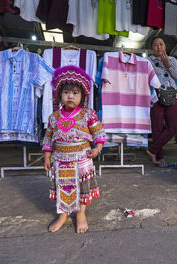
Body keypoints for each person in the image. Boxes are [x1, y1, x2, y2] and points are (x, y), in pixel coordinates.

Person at [43, 65, 106, 233]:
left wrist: (98, 148)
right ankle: (63, 215)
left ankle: (80, 214)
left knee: (82, 187)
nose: (70, 95)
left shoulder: (88, 114)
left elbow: (98, 132)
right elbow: (49, 137)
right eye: (66, 92)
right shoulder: (54, 117)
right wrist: (47, 157)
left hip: (82, 160)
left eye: (75, 92)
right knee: (63, 186)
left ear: (83, 96)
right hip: (61, 161)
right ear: (59, 95)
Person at [147, 36, 177, 168]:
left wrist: (168, 63)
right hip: (156, 96)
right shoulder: (148, 61)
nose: (159, 47)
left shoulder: (172, 59)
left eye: (161, 44)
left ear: (165, 46)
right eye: (156, 45)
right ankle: (158, 158)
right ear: (152, 48)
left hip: (171, 96)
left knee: (175, 125)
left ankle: (152, 150)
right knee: (157, 128)